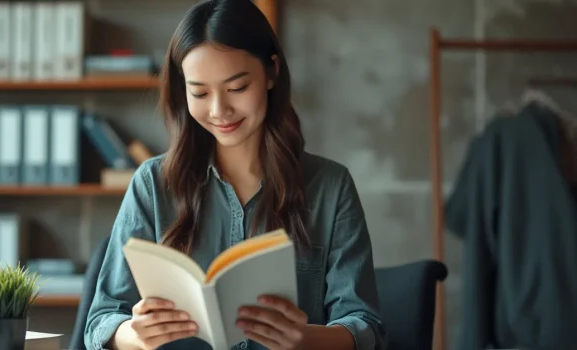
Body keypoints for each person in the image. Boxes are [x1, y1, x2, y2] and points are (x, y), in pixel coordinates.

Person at [84, 0, 387, 349]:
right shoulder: (153, 185)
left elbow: (367, 328)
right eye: (199, 92)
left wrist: (305, 339)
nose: (219, 111)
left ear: (271, 72)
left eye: (237, 88)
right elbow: (101, 322)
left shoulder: (331, 187)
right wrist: (134, 335)